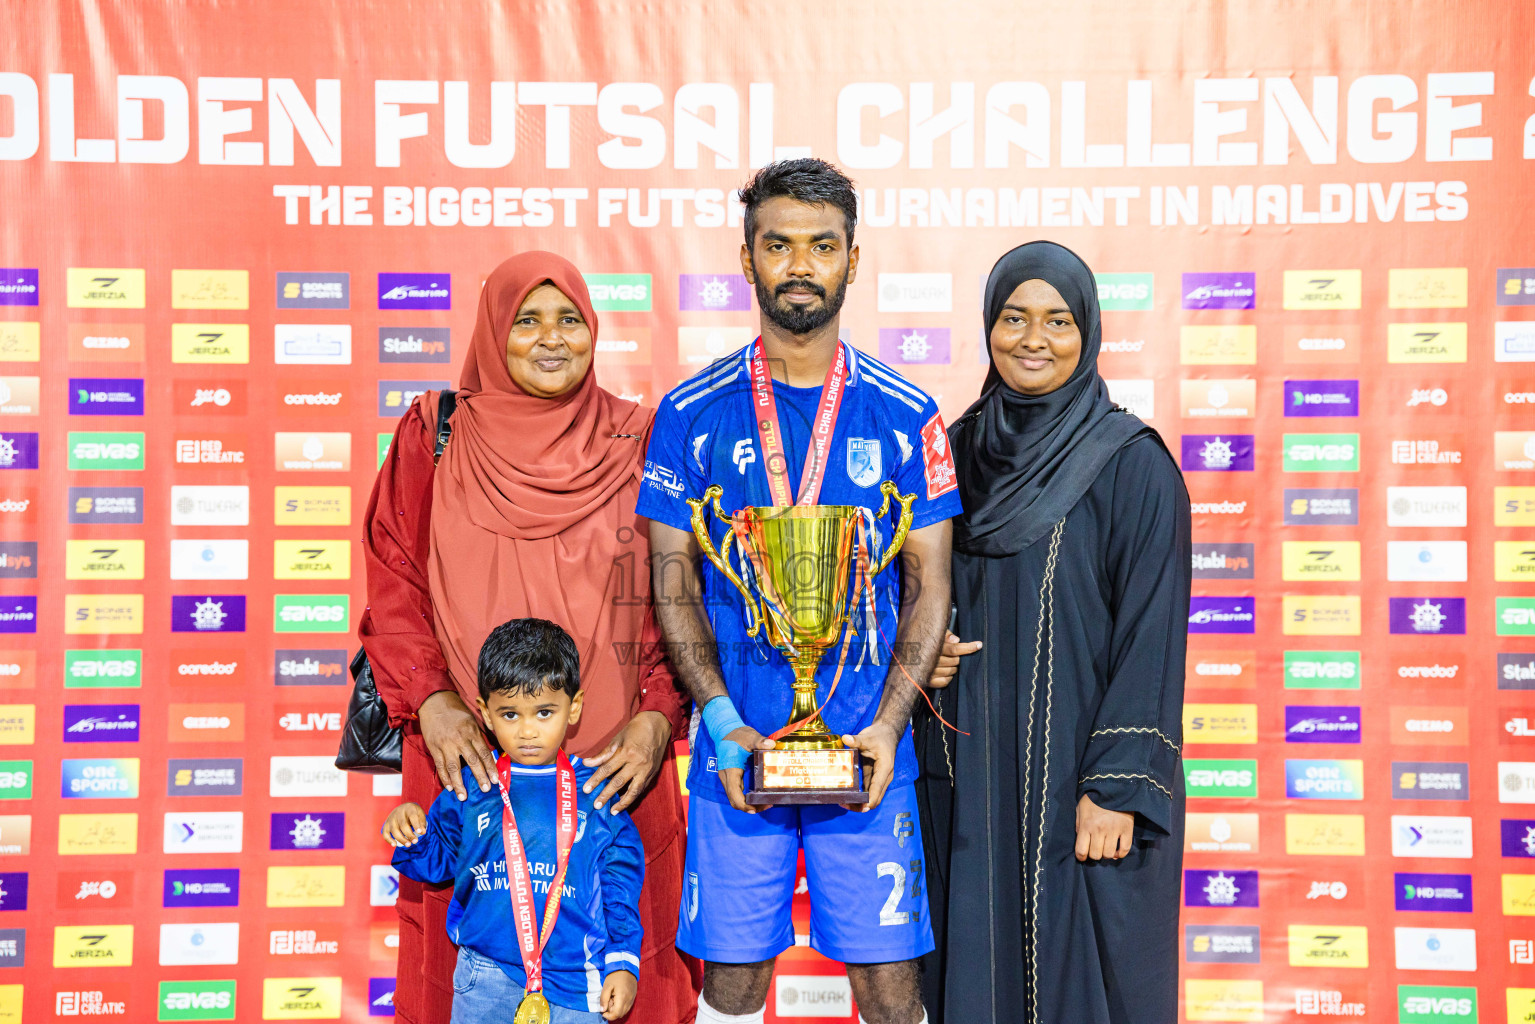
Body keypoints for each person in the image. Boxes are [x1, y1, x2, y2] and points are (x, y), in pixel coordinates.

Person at [639, 158, 961, 1024]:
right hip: (735, 751)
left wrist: (889, 728)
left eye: (822, 246)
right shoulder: (689, 411)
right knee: (733, 984)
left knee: (892, 992)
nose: (799, 266)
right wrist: (718, 721)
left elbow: (931, 587)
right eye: (777, 246)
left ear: (853, 260)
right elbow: (672, 583)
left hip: (864, 746)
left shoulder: (906, 413)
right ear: (746, 261)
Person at [361, 252, 699, 1024]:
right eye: (527, 321)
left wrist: (656, 715)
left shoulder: (643, 438)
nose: (552, 339)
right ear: (492, 331)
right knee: (464, 973)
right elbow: (394, 581)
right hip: (470, 759)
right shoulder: (434, 433)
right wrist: (435, 705)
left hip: (614, 768)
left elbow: (676, 594)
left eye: (569, 319)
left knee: (627, 958)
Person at [915, 241, 1190, 1024]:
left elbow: (1152, 636)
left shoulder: (1130, 463)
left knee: (1083, 975)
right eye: (1013, 317)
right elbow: (913, 591)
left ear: (1089, 331)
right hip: (966, 769)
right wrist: (916, 654)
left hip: (1078, 778)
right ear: (988, 326)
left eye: (1057, 320)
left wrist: (1115, 787)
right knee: (967, 963)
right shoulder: (953, 452)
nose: (1032, 339)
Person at [385, 617, 642, 1023]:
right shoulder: (472, 787)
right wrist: (412, 831)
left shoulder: (597, 794)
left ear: (573, 708)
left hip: (576, 983)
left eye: (544, 712)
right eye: (509, 715)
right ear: (484, 713)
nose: (527, 730)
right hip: (483, 976)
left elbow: (620, 891)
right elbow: (436, 865)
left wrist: (623, 962)